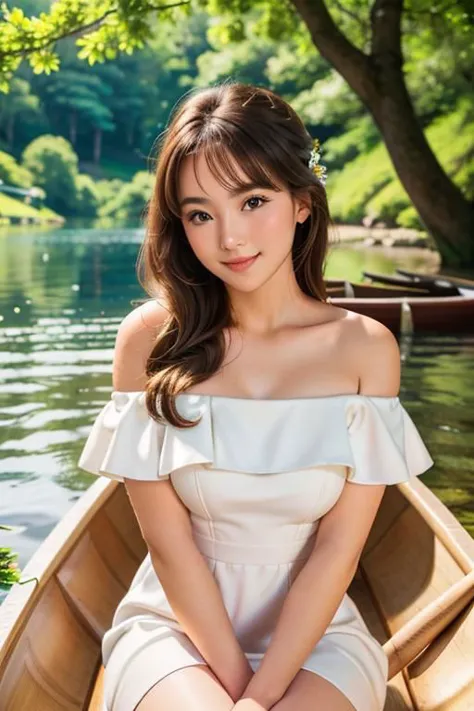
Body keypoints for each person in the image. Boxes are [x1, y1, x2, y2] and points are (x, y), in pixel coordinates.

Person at [78, 80, 434, 711]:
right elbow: (170, 546)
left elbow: (336, 552)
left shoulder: (365, 351)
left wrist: (261, 696)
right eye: (200, 214)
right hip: (176, 631)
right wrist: (239, 698)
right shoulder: (148, 341)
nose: (230, 239)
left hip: (316, 635)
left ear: (302, 201)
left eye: (253, 201)